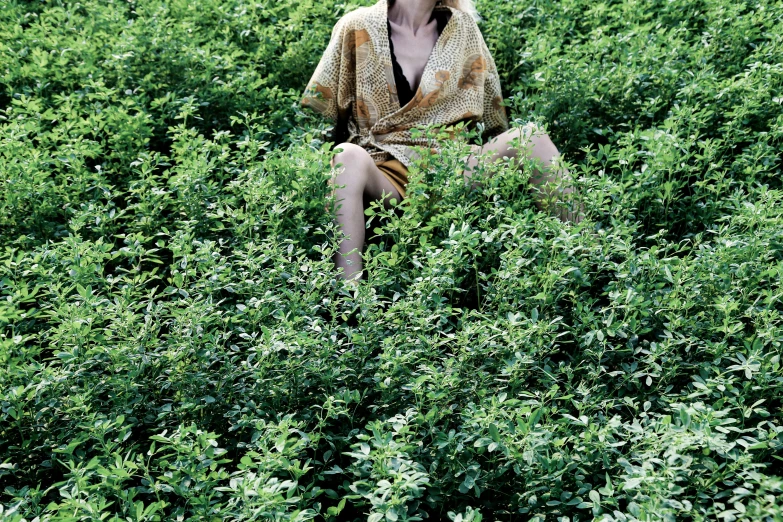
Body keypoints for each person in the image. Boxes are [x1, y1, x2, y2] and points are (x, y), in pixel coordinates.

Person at [301, 0, 581, 281]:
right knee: (346, 155)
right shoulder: (357, 25)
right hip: (386, 170)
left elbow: (492, 117)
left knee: (533, 138)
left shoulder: (462, 28)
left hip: (453, 165)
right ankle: (349, 298)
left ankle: (588, 256)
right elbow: (324, 115)